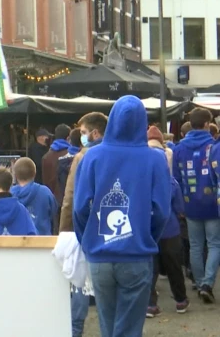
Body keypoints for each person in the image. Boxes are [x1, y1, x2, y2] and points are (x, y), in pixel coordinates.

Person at [73, 96, 171, 337]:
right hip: (136, 253)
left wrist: (87, 240)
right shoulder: (155, 159)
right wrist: (148, 237)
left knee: (108, 324)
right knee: (128, 328)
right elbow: (162, 211)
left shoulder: (92, 157)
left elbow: (79, 208)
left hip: (100, 253)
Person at [59, 111, 107, 337]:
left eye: (84, 132)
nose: (82, 137)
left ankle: (75, 331)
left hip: (84, 228)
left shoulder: (82, 157)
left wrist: (65, 231)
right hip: (113, 230)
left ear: (95, 132)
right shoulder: (119, 153)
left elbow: (71, 199)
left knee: (79, 282)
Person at [145, 126, 189, 317]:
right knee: (174, 268)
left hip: (147, 230)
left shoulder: (140, 182)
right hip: (169, 230)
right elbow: (180, 209)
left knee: (150, 270)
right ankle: (180, 301)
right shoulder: (171, 182)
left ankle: (150, 305)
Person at [178, 107, 220, 303]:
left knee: (195, 246)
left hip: (189, 205)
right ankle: (207, 284)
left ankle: (200, 281)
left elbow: (175, 180)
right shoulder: (213, 147)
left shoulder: (178, 148)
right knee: (214, 244)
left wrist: (180, 206)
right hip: (213, 205)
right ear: (206, 124)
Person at [11, 157, 56, 236]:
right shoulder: (45, 192)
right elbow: (53, 212)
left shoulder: (9, 194)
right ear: (35, 173)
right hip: (43, 242)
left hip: (16, 242)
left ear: (15, 175)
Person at [42, 124, 71, 197]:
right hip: (66, 198)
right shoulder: (71, 155)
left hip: (51, 198)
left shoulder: (46, 156)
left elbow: (45, 181)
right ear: (68, 138)